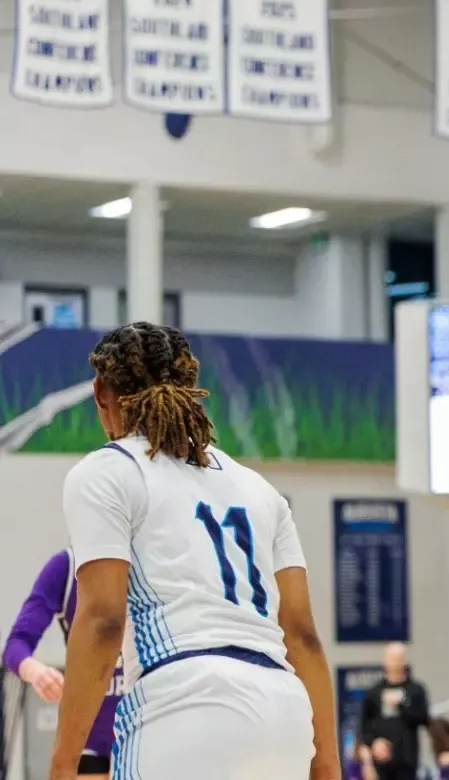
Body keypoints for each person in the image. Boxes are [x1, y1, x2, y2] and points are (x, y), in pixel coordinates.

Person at [49, 322, 339, 780]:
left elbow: (103, 620)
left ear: (100, 393)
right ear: (191, 386)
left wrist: (64, 761)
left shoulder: (107, 471)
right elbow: (302, 635)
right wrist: (326, 762)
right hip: (284, 717)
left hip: (184, 707)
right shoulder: (259, 489)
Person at [5, 550, 121, 774]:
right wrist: (36, 672)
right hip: (87, 732)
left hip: (140, 725)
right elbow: (16, 644)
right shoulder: (65, 567)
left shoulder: (146, 562)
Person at [358, 642, 431, 780]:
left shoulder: (415, 690)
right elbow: (364, 728)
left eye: (399, 659)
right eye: (392, 658)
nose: (395, 663)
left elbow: (424, 718)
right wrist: (372, 746)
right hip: (381, 761)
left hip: (407, 760)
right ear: (385, 661)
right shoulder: (374, 692)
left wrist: (402, 704)